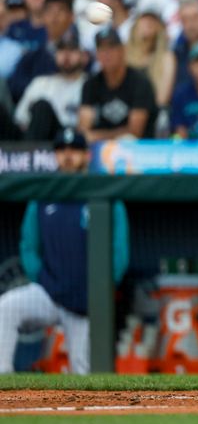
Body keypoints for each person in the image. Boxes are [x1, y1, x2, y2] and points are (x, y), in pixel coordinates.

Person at [0, 128, 128, 374]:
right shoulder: (42, 195)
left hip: (87, 301)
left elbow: (119, 253)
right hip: (48, 293)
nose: (68, 156)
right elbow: (29, 245)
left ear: (86, 155)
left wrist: (101, 289)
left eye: (74, 150)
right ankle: (3, 378)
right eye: (62, 150)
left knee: (83, 370)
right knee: (6, 308)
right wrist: (43, 279)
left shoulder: (105, 193)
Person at [78, 27, 157, 141]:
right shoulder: (91, 84)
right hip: (99, 149)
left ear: (122, 50)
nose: (106, 54)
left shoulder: (140, 82)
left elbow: (135, 131)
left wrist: (96, 136)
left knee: (127, 139)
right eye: (102, 49)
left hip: (138, 151)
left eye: (111, 48)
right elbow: (84, 128)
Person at [13, 26, 87, 139]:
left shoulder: (91, 85)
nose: (66, 55)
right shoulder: (40, 83)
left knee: (43, 107)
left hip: (71, 141)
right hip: (37, 139)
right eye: (61, 49)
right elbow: (20, 120)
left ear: (84, 56)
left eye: (72, 49)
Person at [7, 0, 74, 103]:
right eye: (49, 11)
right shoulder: (32, 57)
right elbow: (15, 87)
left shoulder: (82, 55)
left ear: (72, 17)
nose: (54, 16)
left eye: (60, 10)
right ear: (42, 17)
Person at [126, 9, 176, 111]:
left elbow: (162, 99)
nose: (148, 23)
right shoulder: (123, 53)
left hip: (152, 112)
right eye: (144, 20)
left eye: (153, 21)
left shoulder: (166, 58)